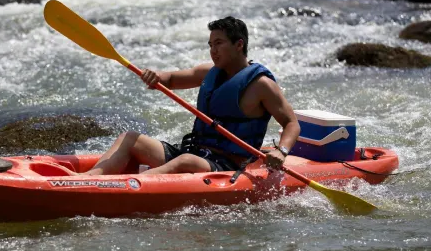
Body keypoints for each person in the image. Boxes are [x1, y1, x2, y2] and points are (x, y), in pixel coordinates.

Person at [82, 16, 300, 175]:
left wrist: (281, 151)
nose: (213, 50)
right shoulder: (208, 73)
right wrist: (155, 76)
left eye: (219, 44)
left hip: (228, 164)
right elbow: (171, 79)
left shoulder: (262, 85)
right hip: (195, 151)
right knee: (130, 138)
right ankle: (89, 179)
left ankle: (127, 187)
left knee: (186, 161)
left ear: (239, 44)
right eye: (210, 45)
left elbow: (291, 123)